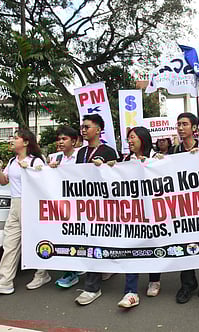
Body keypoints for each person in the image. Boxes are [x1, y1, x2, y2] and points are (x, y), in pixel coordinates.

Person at [0, 129, 50, 295]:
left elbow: (46, 180)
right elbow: (3, 181)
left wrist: (30, 170)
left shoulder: (36, 160)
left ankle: (42, 273)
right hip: (15, 203)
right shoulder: (12, 161)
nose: (12, 140)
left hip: (31, 203)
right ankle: (5, 281)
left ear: (26, 142)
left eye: (16, 137)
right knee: (10, 242)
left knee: (35, 239)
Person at [74, 114, 117, 306]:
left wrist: (106, 169)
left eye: (87, 127)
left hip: (103, 205)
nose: (83, 130)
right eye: (82, 127)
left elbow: (116, 177)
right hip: (84, 204)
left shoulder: (108, 151)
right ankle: (100, 271)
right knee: (91, 242)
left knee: (96, 243)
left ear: (98, 129)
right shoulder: (81, 153)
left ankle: (92, 287)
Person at [116, 126, 163, 308]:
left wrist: (157, 164)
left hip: (154, 211)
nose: (129, 141)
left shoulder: (156, 157)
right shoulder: (125, 160)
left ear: (143, 139)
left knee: (152, 246)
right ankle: (131, 292)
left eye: (132, 137)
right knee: (132, 248)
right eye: (128, 138)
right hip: (133, 213)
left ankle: (154, 279)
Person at [171, 112, 199, 304]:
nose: (181, 128)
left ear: (194, 128)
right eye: (178, 124)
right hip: (181, 207)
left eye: (185, 124)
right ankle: (187, 284)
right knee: (183, 244)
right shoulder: (173, 151)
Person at [46, 126, 85, 289]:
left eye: (65, 139)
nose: (61, 142)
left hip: (80, 205)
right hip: (62, 206)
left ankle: (80, 267)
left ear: (74, 141)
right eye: (59, 139)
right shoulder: (55, 158)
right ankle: (71, 272)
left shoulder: (81, 157)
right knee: (65, 237)